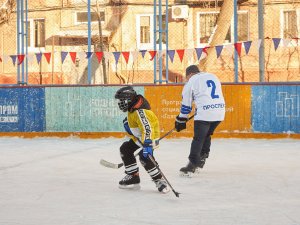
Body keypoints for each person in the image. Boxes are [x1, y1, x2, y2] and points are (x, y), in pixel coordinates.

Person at [114, 86, 169, 193]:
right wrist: (130, 127)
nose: (120, 103)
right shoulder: (133, 108)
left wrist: (147, 144)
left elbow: (147, 128)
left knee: (145, 157)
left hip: (149, 137)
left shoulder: (140, 111)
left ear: (128, 99)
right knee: (125, 149)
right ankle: (133, 176)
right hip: (141, 137)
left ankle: (159, 180)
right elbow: (138, 124)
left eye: (121, 101)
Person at [175, 65, 225, 176]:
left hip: (204, 114)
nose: (187, 79)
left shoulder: (191, 81)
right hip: (220, 112)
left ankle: (191, 165)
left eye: (186, 77)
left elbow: (186, 106)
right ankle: (202, 159)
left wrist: (181, 119)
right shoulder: (213, 76)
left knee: (198, 138)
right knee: (206, 135)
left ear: (190, 74)